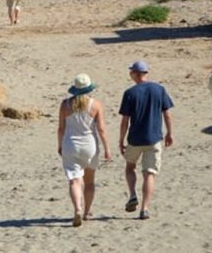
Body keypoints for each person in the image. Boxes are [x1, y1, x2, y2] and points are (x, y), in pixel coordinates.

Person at [119, 60, 174, 220]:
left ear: (134, 74)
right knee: (149, 173)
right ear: (146, 73)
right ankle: (144, 208)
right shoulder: (159, 89)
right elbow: (167, 113)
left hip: (135, 138)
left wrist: (121, 140)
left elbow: (125, 121)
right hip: (154, 138)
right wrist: (170, 133)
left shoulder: (130, 93)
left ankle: (132, 194)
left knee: (130, 167)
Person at [57, 74, 113, 227]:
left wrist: (60, 145)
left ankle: (77, 209)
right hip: (89, 145)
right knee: (89, 181)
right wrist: (107, 148)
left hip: (70, 144)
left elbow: (61, 128)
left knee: (74, 180)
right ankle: (87, 211)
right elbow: (101, 129)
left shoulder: (65, 104)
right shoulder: (95, 105)